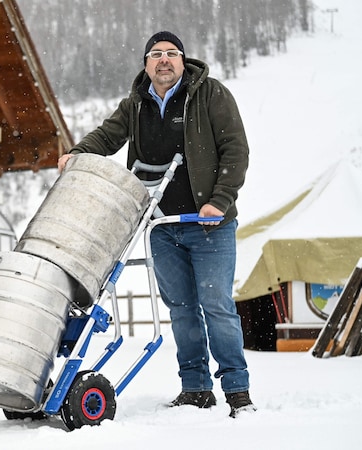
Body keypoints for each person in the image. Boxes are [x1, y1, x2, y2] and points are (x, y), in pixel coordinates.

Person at [57, 31, 255, 418]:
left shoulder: (210, 94)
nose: (163, 60)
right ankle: (196, 388)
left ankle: (237, 390)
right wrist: (77, 154)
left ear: (183, 60)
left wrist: (219, 200)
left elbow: (236, 148)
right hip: (161, 225)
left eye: (171, 53)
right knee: (181, 308)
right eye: (155, 54)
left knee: (216, 304)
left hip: (209, 223)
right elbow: (108, 135)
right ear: (146, 63)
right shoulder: (136, 103)